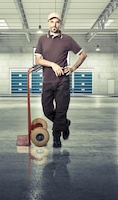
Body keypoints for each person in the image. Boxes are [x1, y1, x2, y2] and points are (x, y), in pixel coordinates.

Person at [34, 12, 87, 148]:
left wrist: (73, 67)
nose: (54, 24)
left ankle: (56, 137)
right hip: (47, 81)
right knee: (47, 110)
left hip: (62, 82)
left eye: (57, 22)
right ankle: (64, 123)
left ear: (60, 23)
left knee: (61, 110)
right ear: (48, 23)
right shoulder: (42, 39)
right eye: (52, 22)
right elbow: (38, 59)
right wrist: (53, 64)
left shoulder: (67, 39)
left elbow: (83, 54)